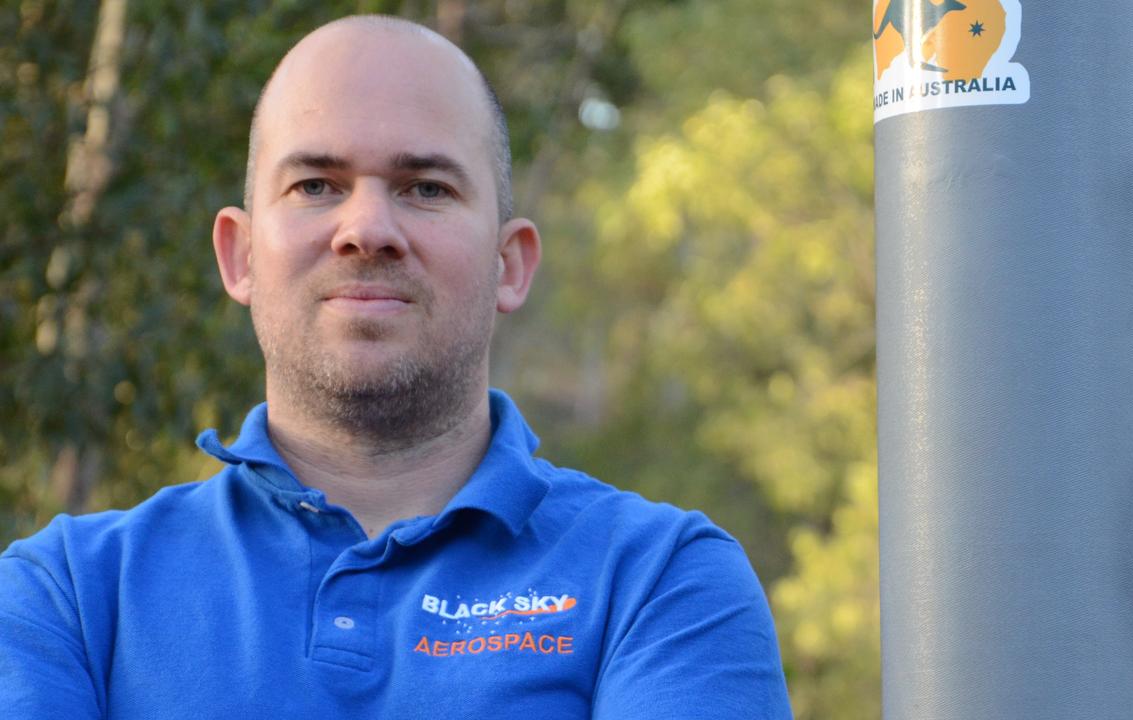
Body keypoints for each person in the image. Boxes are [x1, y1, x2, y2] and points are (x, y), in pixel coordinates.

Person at [0, 15, 791, 718]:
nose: (367, 228)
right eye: (316, 184)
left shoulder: (660, 583)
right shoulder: (64, 597)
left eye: (425, 187)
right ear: (238, 256)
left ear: (509, 264)